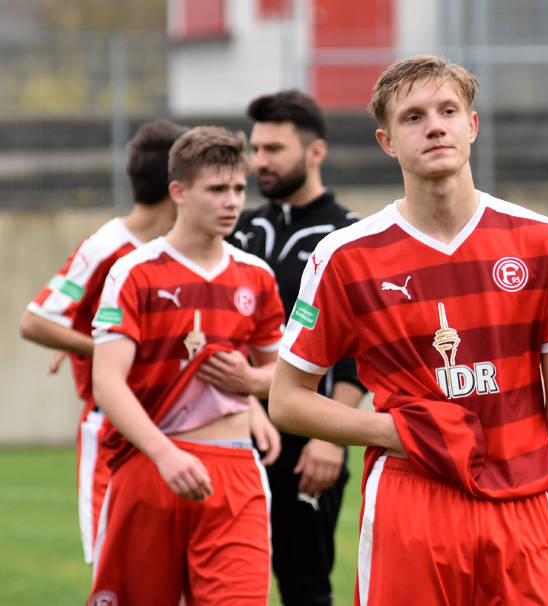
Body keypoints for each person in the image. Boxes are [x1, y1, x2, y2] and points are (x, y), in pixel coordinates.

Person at [268, 55, 548, 606]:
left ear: (471, 126)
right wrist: (392, 432)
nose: (434, 125)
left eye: (448, 110)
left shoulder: (543, 242)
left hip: (521, 507)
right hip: (411, 502)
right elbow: (286, 400)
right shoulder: (344, 256)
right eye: (413, 117)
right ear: (387, 141)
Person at [87, 126, 285, 604]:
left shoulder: (256, 276)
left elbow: (282, 374)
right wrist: (165, 453)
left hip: (236, 471)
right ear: (178, 192)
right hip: (152, 464)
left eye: (239, 188)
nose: (232, 201)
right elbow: (107, 383)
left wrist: (252, 383)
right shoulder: (134, 272)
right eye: (217, 189)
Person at [19, 118, 188, 564]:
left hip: (179, 426)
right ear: (178, 187)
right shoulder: (106, 247)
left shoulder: (183, 250)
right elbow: (36, 321)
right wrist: (106, 348)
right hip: (114, 430)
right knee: (118, 570)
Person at [226, 90, 365, 606]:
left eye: (274, 149)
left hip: (309, 440)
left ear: (315, 152)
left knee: (304, 586)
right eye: (256, 149)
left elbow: (358, 348)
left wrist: (332, 438)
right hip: (229, 435)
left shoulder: (350, 235)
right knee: (220, 584)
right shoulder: (239, 231)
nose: (260, 161)